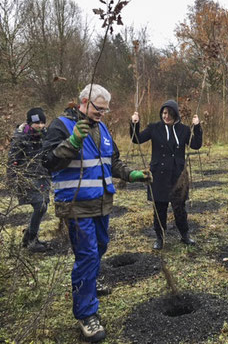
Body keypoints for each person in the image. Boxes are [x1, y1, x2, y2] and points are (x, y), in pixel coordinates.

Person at [42, 84, 151, 343]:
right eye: (97, 108)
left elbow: (112, 161)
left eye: (105, 109)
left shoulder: (101, 128)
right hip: (76, 204)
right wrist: (72, 143)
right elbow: (48, 161)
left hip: (102, 203)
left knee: (100, 247)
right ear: (83, 101)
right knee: (88, 255)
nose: (102, 113)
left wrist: (131, 174)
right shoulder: (62, 125)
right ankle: (86, 314)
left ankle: (89, 283)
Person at [130, 100, 202, 250]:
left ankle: (185, 235)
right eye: (164, 113)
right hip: (159, 175)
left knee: (180, 207)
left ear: (175, 114)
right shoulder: (154, 128)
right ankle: (160, 237)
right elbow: (137, 139)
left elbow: (196, 145)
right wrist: (135, 124)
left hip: (178, 175)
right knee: (159, 208)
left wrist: (197, 126)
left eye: (169, 113)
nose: (166, 116)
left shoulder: (183, 130)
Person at [7, 107, 51, 252]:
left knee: (44, 205)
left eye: (42, 122)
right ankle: (31, 240)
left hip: (43, 175)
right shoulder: (20, 137)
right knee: (40, 205)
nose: (40, 125)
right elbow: (12, 161)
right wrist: (12, 180)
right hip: (26, 177)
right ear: (29, 123)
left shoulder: (46, 135)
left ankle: (29, 238)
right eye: (36, 123)